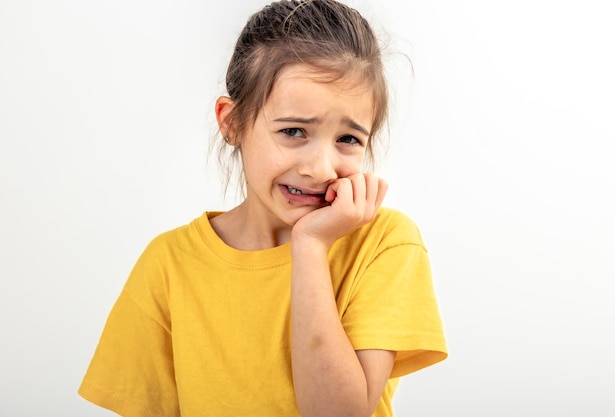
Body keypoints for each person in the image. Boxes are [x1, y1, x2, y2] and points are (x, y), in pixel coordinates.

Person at [78, 0, 448, 416]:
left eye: (348, 139)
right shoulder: (169, 264)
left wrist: (309, 246)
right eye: (293, 131)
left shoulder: (384, 243)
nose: (320, 168)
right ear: (232, 123)